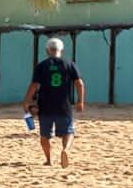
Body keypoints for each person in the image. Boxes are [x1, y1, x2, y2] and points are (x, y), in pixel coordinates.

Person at [22, 37, 86, 166]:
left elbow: (34, 85)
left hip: (45, 105)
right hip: (64, 105)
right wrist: (81, 101)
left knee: (45, 135)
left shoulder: (42, 65)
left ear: (47, 50)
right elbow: (79, 83)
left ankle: (49, 160)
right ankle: (65, 150)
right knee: (68, 131)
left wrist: (27, 101)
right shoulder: (69, 64)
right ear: (61, 50)